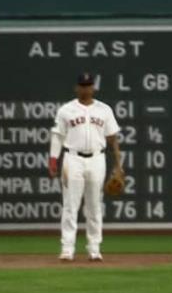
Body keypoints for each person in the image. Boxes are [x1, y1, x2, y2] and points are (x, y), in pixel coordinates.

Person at [48, 73, 123, 261]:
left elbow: (112, 138)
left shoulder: (104, 110)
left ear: (93, 88)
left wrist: (118, 164)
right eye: (82, 85)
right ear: (77, 88)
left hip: (98, 158)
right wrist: (53, 160)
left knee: (94, 205)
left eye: (88, 85)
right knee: (70, 205)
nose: (85, 88)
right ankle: (67, 248)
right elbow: (57, 136)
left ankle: (94, 248)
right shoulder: (67, 110)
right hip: (72, 159)